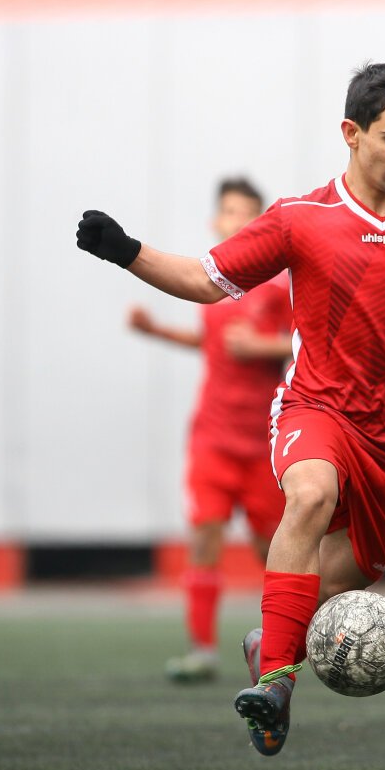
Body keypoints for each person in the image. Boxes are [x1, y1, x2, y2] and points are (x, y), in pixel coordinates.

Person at [75, 62, 385, 756]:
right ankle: (276, 686)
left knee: (335, 585)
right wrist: (125, 251)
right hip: (317, 406)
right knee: (309, 495)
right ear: (351, 133)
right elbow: (204, 280)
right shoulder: (300, 219)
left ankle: (268, 646)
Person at [127, 177, 294, 683]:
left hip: (264, 441)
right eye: (230, 211)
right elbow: (213, 344)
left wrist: (263, 347)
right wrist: (156, 331)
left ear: (262, 224)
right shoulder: (212, 283)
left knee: (275, 551)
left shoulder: (279, 286)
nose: (238, 221)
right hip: (212, 438)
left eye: (248, 213)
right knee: (203, 540)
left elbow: (307, 343)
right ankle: (201, 651)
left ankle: (287, 647)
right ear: (216, 220)